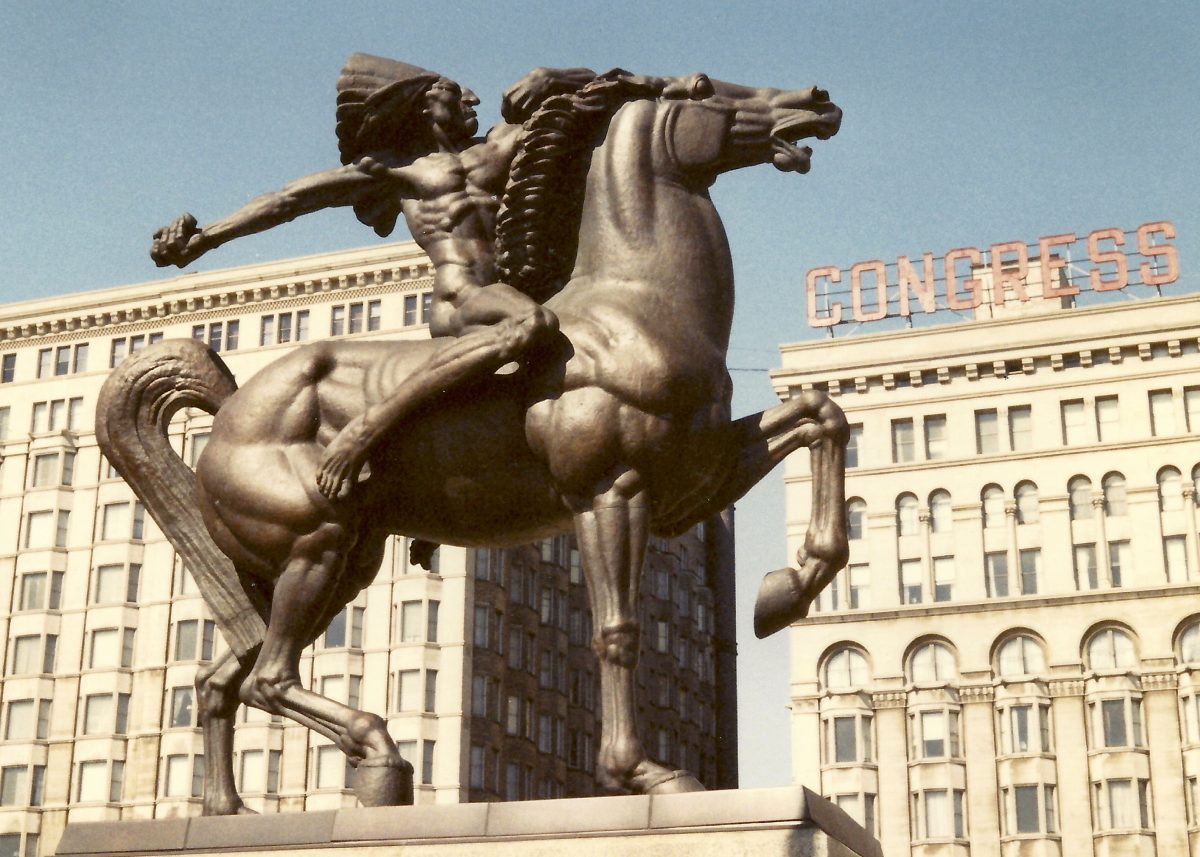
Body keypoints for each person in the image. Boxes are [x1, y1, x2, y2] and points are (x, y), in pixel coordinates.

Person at [151, 55, 597, 502]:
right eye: (453, 90)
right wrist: (207, 238)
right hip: (463, 300)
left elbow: (601, 102)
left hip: (513, 292)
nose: (472, 97)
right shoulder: (392, 170)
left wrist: (554, 76)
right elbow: (289, 200)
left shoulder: (501, 144)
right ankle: (366, 430)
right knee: (535, 323)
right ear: (422, 105)